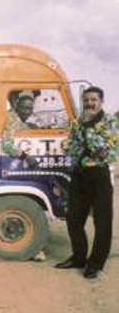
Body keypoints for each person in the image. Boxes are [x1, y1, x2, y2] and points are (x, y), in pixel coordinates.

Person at [55, 86, 118, 279]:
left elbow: (105, 150)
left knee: (102, 221)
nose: (90, 104)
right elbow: (69, 145)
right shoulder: (78, 121)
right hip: (80, 174)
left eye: (94, 100)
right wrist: (83, 146)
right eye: (87, 100)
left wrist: (89, 132)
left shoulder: (111, 122)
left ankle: (95, 263)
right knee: (73, 218)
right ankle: (79, 257)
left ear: (101, 101)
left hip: (99, 174)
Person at [1, 91, 39, 167]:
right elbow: (6, 145)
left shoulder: (17, 118)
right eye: (24, 108)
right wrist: (26, 156)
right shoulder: (12, 120)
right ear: (17, 107)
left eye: (30, 109)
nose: (28, 112)